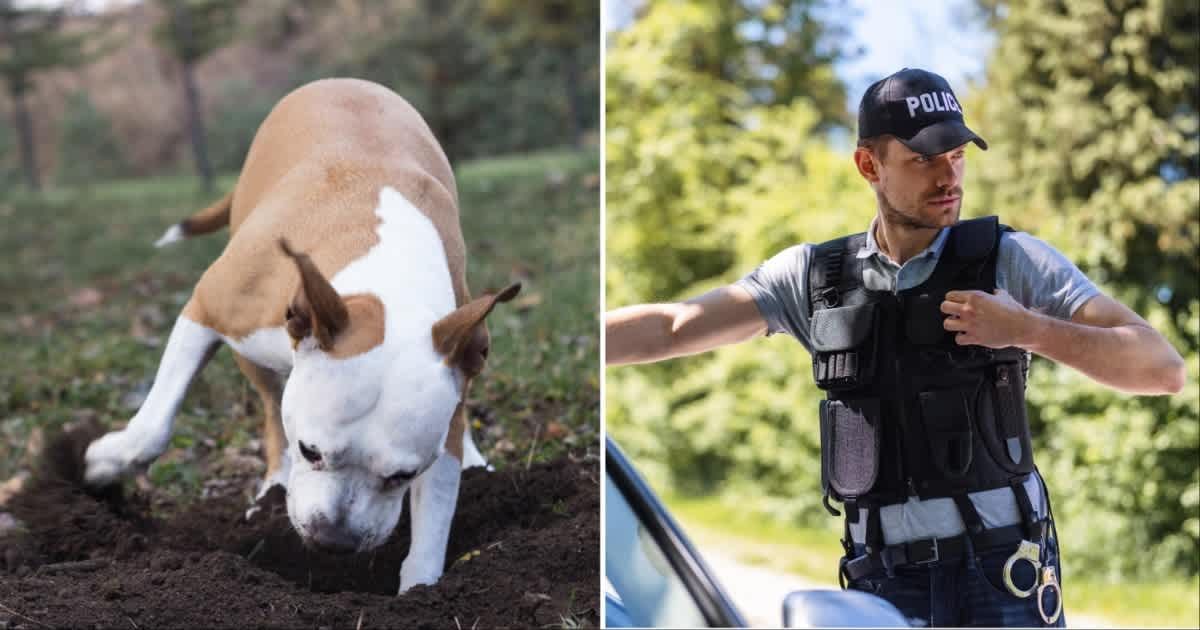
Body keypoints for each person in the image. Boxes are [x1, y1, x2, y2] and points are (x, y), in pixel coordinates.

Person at [604, 67, 1186, 628]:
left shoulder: (1010, 260)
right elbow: (672, 326)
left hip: (1002, 580)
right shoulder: (814, 278)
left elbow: (1161, 368)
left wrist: (1027, 329)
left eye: (956, 155)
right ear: (868, 165)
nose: (949, 177)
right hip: (880, 585)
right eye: (924, 159)